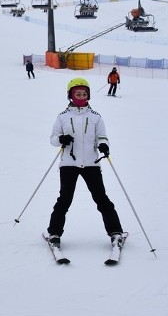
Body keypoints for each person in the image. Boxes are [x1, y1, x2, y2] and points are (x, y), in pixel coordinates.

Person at [46, 78, 125, 248]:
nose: (81, 96)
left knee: (101, 198)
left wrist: (103, 144)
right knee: (64, 200)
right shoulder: (62, 117)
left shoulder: (96, 117)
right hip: (68, 164)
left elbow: (101, 136)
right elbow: (53, 138)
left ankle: (116, 232)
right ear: (71, 96)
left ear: (88, 95)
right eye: (77, 93)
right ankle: (54, 233)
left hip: (91, 163)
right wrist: (61, 139)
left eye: (84, 93)